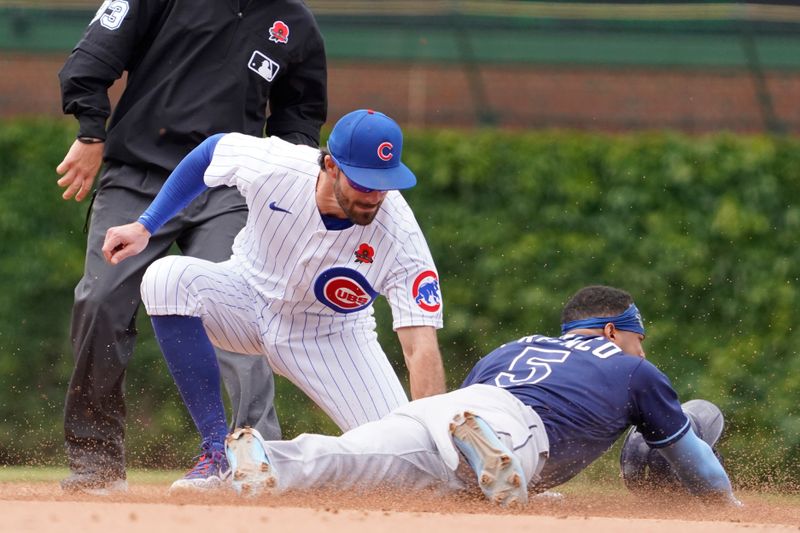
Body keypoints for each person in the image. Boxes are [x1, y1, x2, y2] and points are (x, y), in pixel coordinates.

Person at [56, 0, 327, 495]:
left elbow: (301, 116)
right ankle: (96, 465)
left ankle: (253, 458)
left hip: (227, 187)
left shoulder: (296, 23)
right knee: (101, 301)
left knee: (239, 307)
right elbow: (93, 56)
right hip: (139, 177)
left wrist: (286, 176)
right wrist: (92, 129)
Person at [102, 109, 447, 491]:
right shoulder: (278, 166)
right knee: (165, 278)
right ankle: (217, 454)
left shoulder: (399, 234)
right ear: (331, 166)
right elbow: (210, 152)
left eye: (385, 183)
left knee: (412, 461)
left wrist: (436, 439)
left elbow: (419, 347)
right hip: (244, 298)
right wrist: (146, 224)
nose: (375, 195)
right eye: (364, 183)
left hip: (330, 337)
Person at [220, 285, 739, 507]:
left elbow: (478, 401)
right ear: (611, 331)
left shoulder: (515, 347)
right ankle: (495, 452)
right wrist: (728, 506)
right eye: (637, 338)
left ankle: (266, 461)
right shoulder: (633, 371)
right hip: (511, 425)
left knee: (353, 457)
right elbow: (695, 459)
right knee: (506, 435)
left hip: (445, 410)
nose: (640, 350)